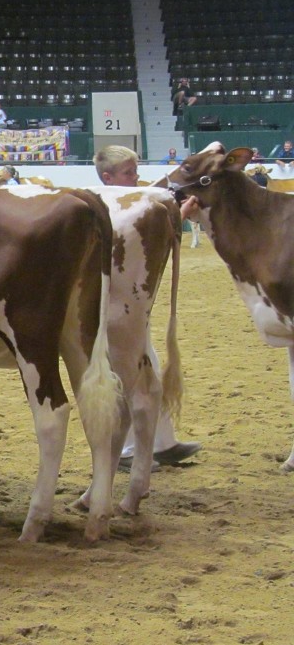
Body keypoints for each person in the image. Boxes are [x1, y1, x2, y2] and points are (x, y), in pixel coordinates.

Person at [94, 145, 202, 470]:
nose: (136, 178)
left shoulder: (131, 204)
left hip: (131, 305)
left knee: (147, 367)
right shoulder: (105, 207)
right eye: (130, 173)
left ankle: (163, 443)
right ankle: (128, 451)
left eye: (136, 171)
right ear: (108, 177)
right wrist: (180, 215)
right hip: (112, 307)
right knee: (125, 372)